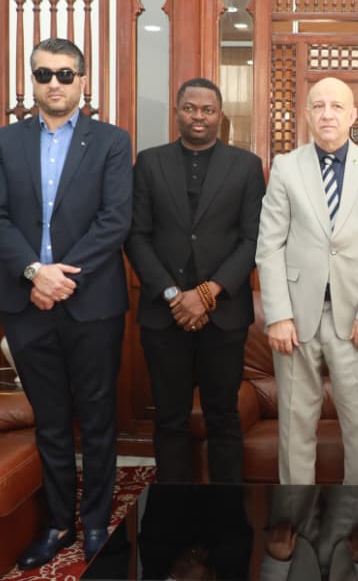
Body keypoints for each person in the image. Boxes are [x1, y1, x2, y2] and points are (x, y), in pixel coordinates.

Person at [0, 37, 132, 569]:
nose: (54, 84)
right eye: (44, 74)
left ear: (83, 81)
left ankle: (97, 521)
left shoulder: (111, 141)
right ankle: (59, 523)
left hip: (92, 301)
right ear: (32, 81)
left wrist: (61, 276)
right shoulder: (6, 141)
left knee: (97, 416)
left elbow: (115, 219)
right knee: (49, 420)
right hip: (27, 303)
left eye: (65, 74)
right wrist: (34, 272)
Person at [255, 76, 358, 484]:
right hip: (295, 319)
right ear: (306, 114)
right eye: (318, 106)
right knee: (294, 427)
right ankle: (296, 511)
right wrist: (278, 315)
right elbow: (269, 245)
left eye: (336, 106)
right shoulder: (286, 167)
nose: (327, 114)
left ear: (353, 115)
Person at [125, 77, 265, 483]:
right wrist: (175, 295)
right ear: (177, 113)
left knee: (223, 416)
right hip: (163, 315)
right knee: (170, 419)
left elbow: (253, 239)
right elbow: (136, 236)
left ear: (220, 116)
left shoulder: (246, 166)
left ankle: (226, 509)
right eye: (190, 108)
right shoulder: (149, 163)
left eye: (207, 110)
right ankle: (176, 506)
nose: (198, 116)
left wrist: (206, 293)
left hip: (224, 316)